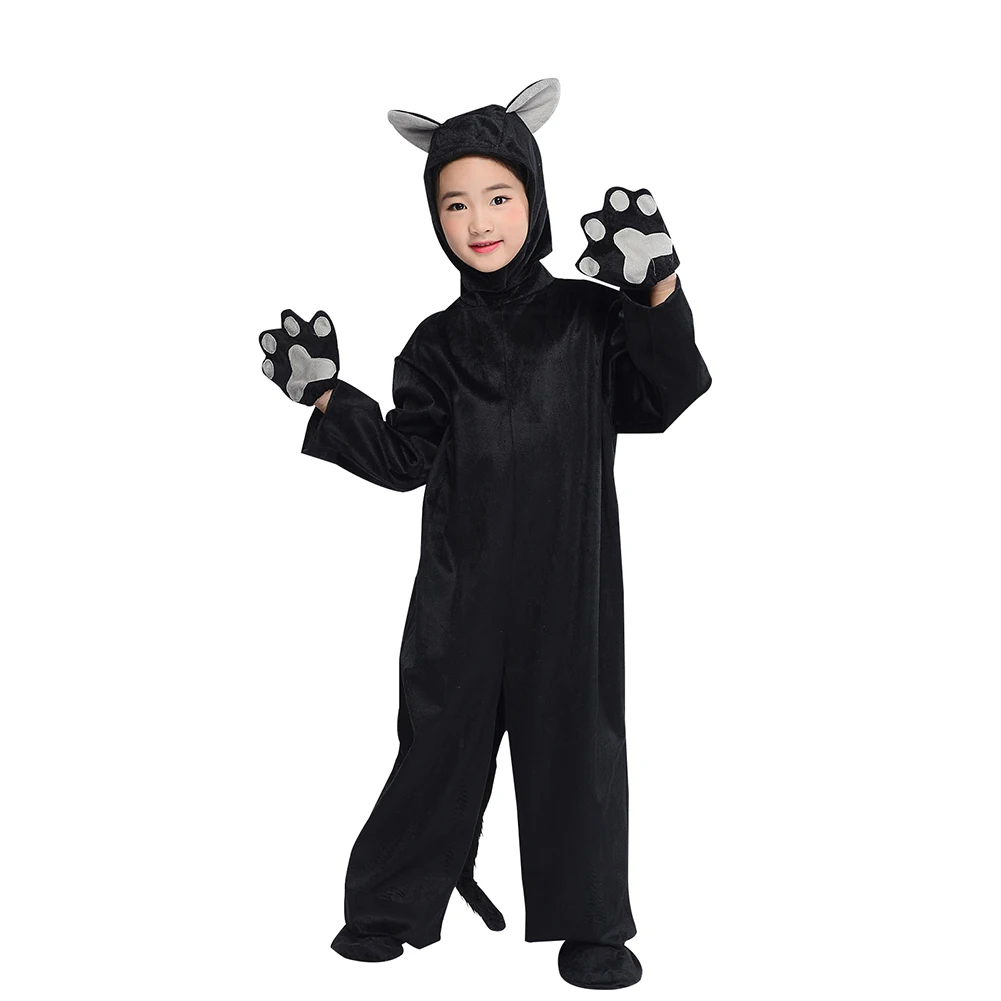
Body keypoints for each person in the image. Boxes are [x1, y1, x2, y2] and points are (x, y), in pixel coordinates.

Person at [259, 77, 711, 990]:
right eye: (454, 203)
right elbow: (405, 457)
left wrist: (655, 290)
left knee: (576, 744)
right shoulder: (434, 344)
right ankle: (391, 904)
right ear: (434, 216)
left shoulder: (588, 320)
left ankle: (590, 924)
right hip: (459, 586)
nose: (478, 221)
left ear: (534, 199)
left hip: (568, 581)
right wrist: (328, 397)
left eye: (498, 197)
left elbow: (662, 395)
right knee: (437, 739)